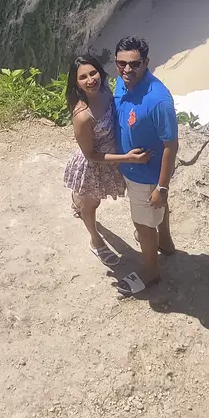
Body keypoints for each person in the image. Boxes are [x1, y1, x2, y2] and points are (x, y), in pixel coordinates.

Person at [62, 54, 149, 267]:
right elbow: (90, 154)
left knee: (87, 200)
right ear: (76, 82)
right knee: (91, 206)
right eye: (83, 77)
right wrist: (127, 158)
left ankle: (78, 199)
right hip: (94, 166)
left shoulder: (105, 91)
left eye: (93, 73)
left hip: (112, 158)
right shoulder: (82, 116)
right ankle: (95, 240)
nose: (90, 80)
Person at [111, 36, 179, 296]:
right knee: (156, 211)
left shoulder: (159, 100)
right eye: (121, 63)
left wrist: (162, 186)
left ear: (146, 63)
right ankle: (166, 244)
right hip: (131, 167)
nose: (127, 69)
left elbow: (171, 146)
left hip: (146, 174)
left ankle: (151, 273)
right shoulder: (122, 82)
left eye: (134, 64)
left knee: (143, 224)